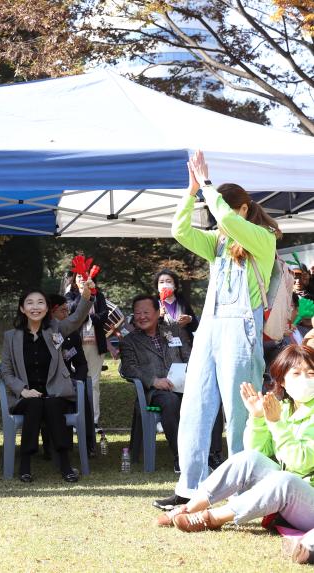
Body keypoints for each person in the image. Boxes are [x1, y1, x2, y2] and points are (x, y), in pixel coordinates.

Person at [161, 149, 281, 508]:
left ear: (242, 209)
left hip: (241, 333)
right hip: (210, 331)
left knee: (239, 410)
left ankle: (244, 488)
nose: (215, 219)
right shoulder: (218, 243)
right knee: (194, 405)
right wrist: (190, 190)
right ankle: (189, 484)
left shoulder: (262, 238)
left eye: (221, 210)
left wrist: (209, 188)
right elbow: (179, 230)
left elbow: (226, 219)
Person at [155, 345, 314, 536]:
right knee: (248, 458)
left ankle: (212, 518)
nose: (305, 380)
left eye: (311, 373)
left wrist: (276, 423)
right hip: (291, 496)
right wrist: (258, 418)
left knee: (284, 480)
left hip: (307, 499)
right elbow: (258, 452)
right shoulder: (284, 409)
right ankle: (190, 508)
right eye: (296, 373)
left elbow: (302, 463)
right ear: (282, 381)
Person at [0, 279, 95, 483]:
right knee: (34, 404)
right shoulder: (11, 337)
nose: (36, 307)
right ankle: (25, 464)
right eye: (30, 303)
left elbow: (77, 318)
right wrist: (23, 390)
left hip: (55, 393)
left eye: (40, 302)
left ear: (47, 308)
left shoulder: (56, 330)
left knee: (51, 404)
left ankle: (65, 464)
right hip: (26, 397)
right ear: (22, 308)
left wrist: (86, 296)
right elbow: (6, 372)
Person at [119, 295, 193, 474]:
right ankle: (180, 457)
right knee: (170, 401)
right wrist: (153, 381)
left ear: (158, 312)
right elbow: (128, 368)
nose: (141, 317)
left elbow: (190, 357)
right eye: (137, 313)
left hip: (185, 388)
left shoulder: (174, 331)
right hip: (154, 395)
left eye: (146, 312)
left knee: (209, 397)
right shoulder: (130, 341)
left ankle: (211, 454)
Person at [47, 294, 96, 455]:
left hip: (70, 380)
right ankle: (54, 446)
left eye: (68, 311)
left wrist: (78, 381)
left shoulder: (73, 334)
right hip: (49, 382)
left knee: (82, 396)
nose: (66, 315)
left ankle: (89, 444)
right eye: (62, 311)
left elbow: (81, 364)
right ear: (51, 312)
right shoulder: (44, 333)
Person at [65, 271, 109, 430]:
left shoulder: (99, 295)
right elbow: (70, 311)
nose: (82, 279)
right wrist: (84, 297)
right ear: (74, 280)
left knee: (94, 382)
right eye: (79, 277)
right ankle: (77, 417)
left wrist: (90, 318)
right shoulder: (70, 295)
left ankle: (93, 420)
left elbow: (104, 315)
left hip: (96, 345)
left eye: (85, 276)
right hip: (75, 344)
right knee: (77, 381)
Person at [154, 268, 199, 338]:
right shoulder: (153, 304)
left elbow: (195, 327)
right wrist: (158, 316)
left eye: (168, 281)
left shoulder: (183, 303)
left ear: (175, 286)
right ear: (157, 286)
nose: (165, 284)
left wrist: (190, 319)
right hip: (163, 346)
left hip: (185, 345)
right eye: (161, 282)